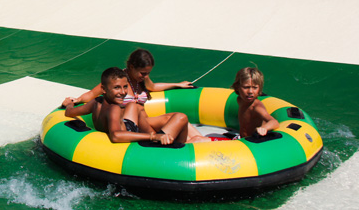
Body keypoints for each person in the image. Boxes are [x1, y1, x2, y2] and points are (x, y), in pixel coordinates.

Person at [63, 49, 208, 142]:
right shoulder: (117, 81)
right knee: (178, 118)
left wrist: (177, 84)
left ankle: (199, 140)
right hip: (138, 125)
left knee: (177, 117)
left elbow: (153, 87)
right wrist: (77, 99)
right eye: (143, 73)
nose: (145, 76)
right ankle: (188, 144)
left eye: (148, 73)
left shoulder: (142, 80)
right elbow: (92, 94)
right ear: (131, 67)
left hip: (141, 121)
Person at [231, 67, 279, 137]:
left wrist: (264, 128)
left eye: (255, 88)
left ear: (259, 88)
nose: (250, 91)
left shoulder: (256, 107)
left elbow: (274, 122)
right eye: (246, 87)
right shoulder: (240, 99)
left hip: (252, 141)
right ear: (237, 87)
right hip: (242, 139)